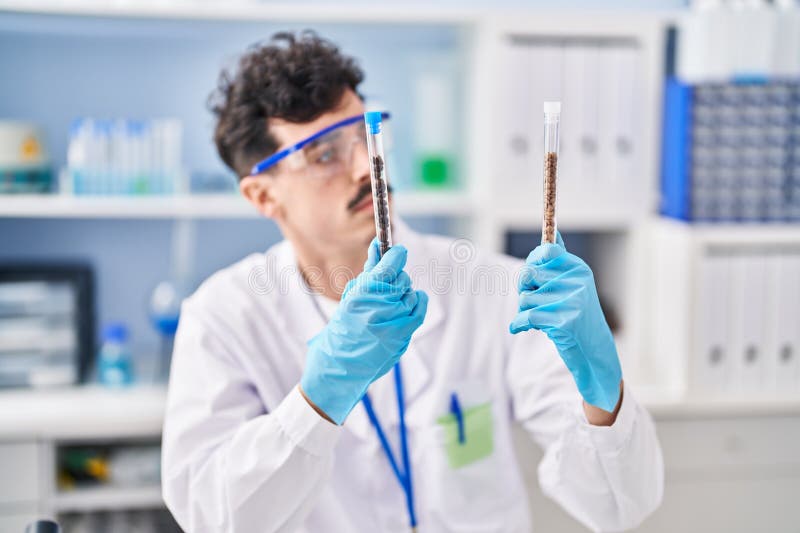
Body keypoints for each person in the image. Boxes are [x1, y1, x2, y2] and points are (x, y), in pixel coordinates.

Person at [161, 31, 663, 533]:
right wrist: (318, 398)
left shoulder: (488, 288)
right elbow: (213, 517)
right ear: (262, 196)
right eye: (324, 155)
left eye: (366, 137)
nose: (366, 167)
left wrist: (604, 390)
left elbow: (622, 505)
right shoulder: (224, 318)